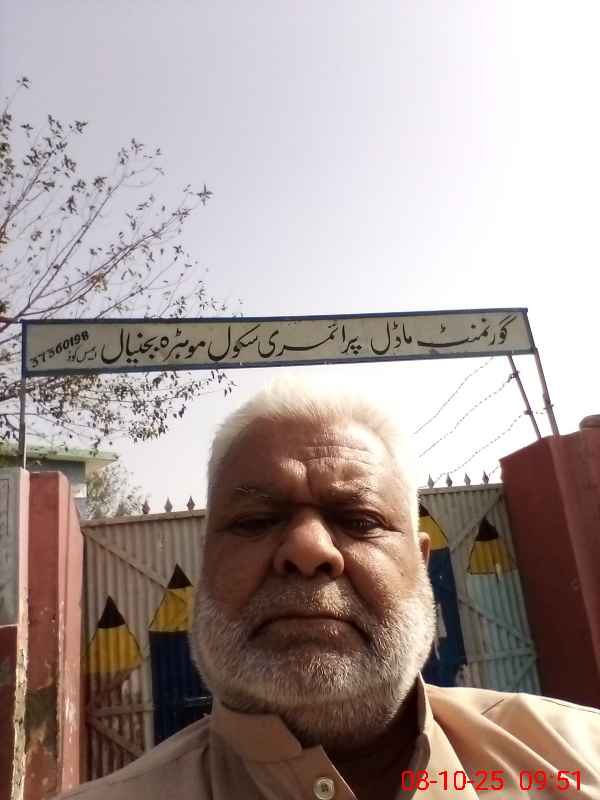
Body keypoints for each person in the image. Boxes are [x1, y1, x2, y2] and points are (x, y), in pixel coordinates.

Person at [59, 377, 600, 799]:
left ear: (420, 565)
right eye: (254, 521)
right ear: (206, 568)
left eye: (360, 520)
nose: (308, 549)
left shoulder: (578, 760)